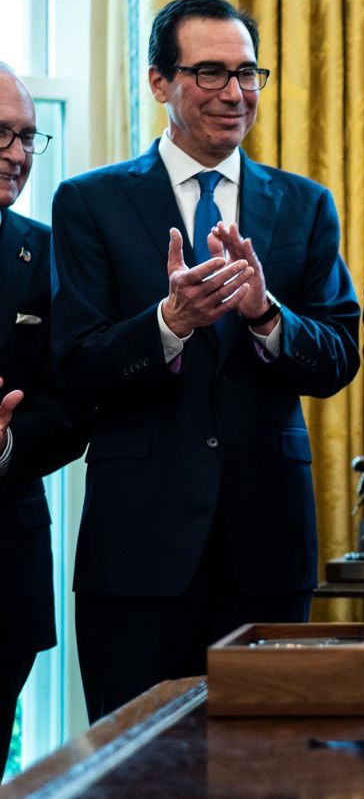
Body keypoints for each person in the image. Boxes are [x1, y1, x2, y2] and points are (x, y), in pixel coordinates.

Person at [51, 0, 361, 720]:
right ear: (160, 82)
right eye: (211, 72)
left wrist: (264, 315)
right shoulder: (90, 204)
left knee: (268, 764)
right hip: (139, 554)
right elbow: (74, 364)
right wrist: (168, 323)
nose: (235, 92)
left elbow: (341, 355)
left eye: (248, 72)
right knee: (134, 767)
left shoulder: (305, 205)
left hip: (268, 549)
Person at [0, 65, 84, 748]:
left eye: (28, 136)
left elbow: (69, 408)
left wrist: (5, 444)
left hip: (5, 573)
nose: (20, 154)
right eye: (2, 133)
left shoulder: (47, 253)